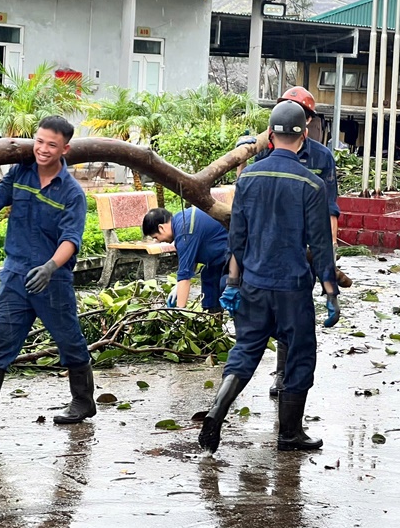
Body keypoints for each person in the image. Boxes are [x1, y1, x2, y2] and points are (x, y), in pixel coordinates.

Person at [199, 100, 339, 454]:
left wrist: (232, 282)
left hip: (254, 284)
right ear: (304, 135)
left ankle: (217, 410)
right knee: (300, 354)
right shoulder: (310, 183)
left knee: (246, 349)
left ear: (271, 136)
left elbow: (237, 237)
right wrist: (330, 292)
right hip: (292, 287)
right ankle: (290, 433)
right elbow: (321, 245)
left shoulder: (248, 178)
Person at [0, 116, 95, 429]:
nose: (42, 149)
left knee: (68, 339)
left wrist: (51, 266)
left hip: (51, 281)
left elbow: (71, 239)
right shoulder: (21, 172)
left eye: (51, 145)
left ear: (64, 149)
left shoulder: (71, 193)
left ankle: (83, 400)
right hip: (15, 275)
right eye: (39, 141)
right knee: (0, 339)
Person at [237, 86, 341, 398]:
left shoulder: (321, 159)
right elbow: (244, 201)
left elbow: (330, 211)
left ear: (307, 120)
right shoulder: (264, 152)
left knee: (289, 325)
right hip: (264, 250)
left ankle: (282, 377)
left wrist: (328, 261)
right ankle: (287, 406)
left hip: (301, 252)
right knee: (289, 322)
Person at [141, 206, 229, 310]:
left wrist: (179, 310)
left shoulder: (184, 233)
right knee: (208, 278)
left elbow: (185, 274)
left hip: (237, 254)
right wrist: (178, 288)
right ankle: (213, 321)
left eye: (156, 237)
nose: (158, 241)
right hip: (219, 256)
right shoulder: (180, 220)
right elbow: (191, 259)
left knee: (226, 284)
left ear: (161, 228)